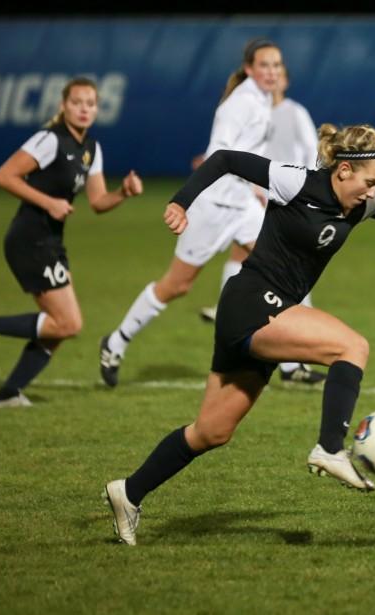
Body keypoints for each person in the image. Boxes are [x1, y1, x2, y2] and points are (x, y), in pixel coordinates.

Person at [102, 123, 375, 546]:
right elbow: (226, 159)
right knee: (351, 346)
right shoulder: (296, 181)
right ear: (342, 171)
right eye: (369, 182)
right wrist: (181, 202)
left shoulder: (361, 204)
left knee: (211, 431)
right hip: (251, 302)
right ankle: (328, 447)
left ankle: (129, 492)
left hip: (272, 312)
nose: (372, 192)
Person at [98, 39, 282, 388]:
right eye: (265, 65)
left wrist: (257, 189)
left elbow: (247, 153)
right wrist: (191, 196)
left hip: (242, 203)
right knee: (177, 285)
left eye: (276, 65)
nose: (272, 72)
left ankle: (275, 358)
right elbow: (221, 155)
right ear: (249, 68)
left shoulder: (262, 100)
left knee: (275, 261)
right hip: (214, 207)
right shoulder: (240, 104)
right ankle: (116, 341)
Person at [0, 77, 143, 407]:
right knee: (68, 323)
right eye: (77, 102)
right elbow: (4, 175)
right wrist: (48, 202)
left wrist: (123, 193)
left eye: (90, 104)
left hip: (50, 240)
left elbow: (97, 202)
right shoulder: (50, 140)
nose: (84, 109)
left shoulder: (91, 150)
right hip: (29, 238)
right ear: (63, 106)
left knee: (59, 328)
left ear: (97, 109)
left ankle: (8, 393)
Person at [198, 63, 326, 387]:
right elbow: (241, 152)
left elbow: (312, 152)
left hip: (288, 195)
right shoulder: (252, 111)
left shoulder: (294, 112)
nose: (273, 79)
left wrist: (308, 190)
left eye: (280, 74)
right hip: (256, 193)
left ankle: (285, 349)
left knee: (282, 264)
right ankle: (238, 314)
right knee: (249, 257)